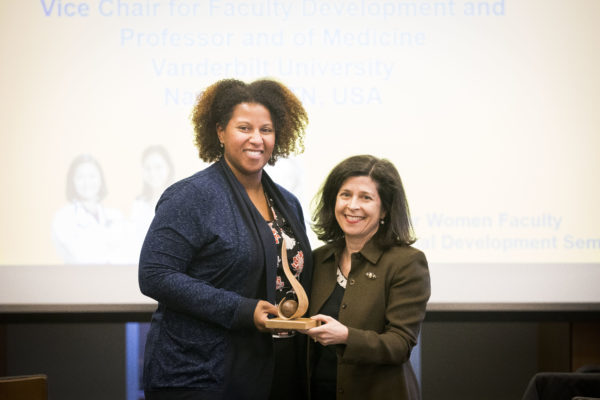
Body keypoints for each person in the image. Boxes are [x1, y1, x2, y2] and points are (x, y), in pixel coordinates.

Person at [138, 78, 313, 400]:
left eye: (266, 130)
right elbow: (155, 275)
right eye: (244, 128)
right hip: (200, 374)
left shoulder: (287, 202)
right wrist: (241, 310)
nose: (256, 139)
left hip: (275, 370)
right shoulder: (191, 196)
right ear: (220, 131)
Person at [304, 155, 431, 400]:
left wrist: (346, 337)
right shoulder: (318, 259)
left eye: (366, 197)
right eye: (345, 195)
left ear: (384, 209)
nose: (352, 206)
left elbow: (400, 344)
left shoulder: (406, 263)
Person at [51, 154, 126, 264]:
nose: (87, 183)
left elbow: (124, 255)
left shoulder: (116, 216)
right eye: (80, 177)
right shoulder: (63, 218)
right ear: (72, 181)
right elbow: (82, 257)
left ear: (101, 180)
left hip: (113, 277)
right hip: (81, 278)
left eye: (92, 176)